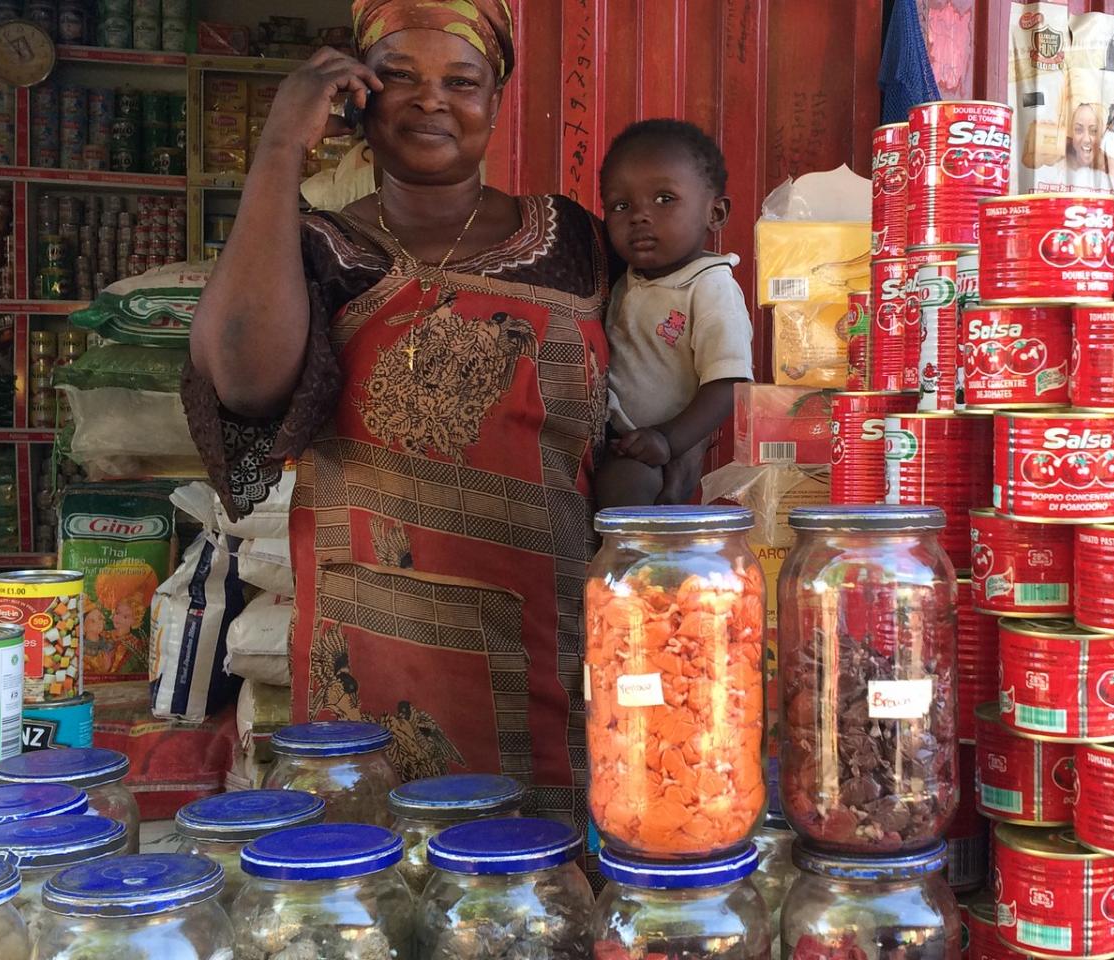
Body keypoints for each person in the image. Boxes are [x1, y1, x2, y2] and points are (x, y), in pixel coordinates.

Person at [182, 0, 611, 826]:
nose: (432, 100)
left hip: (550, 642)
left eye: (462, 80)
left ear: (497, 97)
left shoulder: (574, 241)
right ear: (359, 97)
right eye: (401, 78)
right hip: (377, 654)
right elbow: (242, 380)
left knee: (538, 897)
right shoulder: (318, 245)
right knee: (376, 880)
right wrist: (280, 145)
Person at [595, 119, 754, 507]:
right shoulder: (623, 280)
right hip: (620, 438)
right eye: (621, 205)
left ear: (714, 213)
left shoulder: (710, 288)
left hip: (661, 449)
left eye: (664, 199)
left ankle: (636, 567)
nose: (640, 216)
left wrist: (668, 440)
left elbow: (728, 382)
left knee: (624, 494)